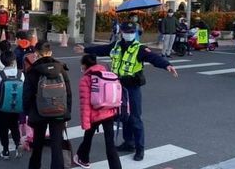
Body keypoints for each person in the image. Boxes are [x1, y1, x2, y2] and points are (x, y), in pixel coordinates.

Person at [75, 22, 178, 161]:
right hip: (117, 87)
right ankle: (128, 143)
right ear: (121, 32)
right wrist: (86, 49)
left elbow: (153, 58)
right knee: (124, 116)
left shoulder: (139, 48)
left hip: (132, 87)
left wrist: (167, 65)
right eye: (126, 31)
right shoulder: (116, 46)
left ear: (134, 32)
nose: (129, 34)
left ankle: (139, 148)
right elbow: (102, 49)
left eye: (131, 32)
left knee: (135, 118)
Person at [23, 41, 72, 169]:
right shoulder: (61, 69)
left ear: (36, 53)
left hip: (39, 112)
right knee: (56, 147)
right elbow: (68, 93)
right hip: (59, 111)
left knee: (38, 140)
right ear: (50, 53)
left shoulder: (32, 71)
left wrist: (27, 112)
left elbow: (27, 95)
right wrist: (67, 113)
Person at [73, 54, 126, 169]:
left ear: (84, 65)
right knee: (110, 144)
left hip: (95, 114)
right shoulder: (106, 73)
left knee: (88, 136)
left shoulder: (86, 79)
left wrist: (85, 123)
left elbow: (85, 103)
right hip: (109, 112)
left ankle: (83, 159)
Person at [0, 50, 24, 159]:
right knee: (14, 125)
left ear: (2, 62)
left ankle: (5, 150)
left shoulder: (0, 75)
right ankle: (18, 144)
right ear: (14, 61)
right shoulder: (20, 74)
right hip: (17, 106)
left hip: (3, 107)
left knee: (3, 128)